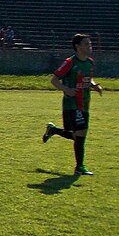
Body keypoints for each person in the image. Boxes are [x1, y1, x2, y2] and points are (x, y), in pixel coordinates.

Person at [42, 33, 103, 175]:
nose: (90, 46)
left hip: (85, 103)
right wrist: (66, 89)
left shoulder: (90, 62)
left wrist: (94, 86)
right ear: (78, 46)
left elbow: (88, 79)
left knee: (77, 136)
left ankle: (53, 130)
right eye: (86, 44)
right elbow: (54, 80)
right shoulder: (70, 62)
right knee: (80, 135)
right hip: (72, 104)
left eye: (90, 44)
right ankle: (80, 167)